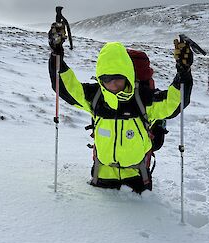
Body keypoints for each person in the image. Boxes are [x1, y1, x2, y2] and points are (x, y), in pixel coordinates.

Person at [48, 25, 193, 194]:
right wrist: (56, 54)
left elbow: (173, 102)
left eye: (118, 79)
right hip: (101, 178)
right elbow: (66, 87)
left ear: (128, 75)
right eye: (106, 79)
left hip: (138, 180)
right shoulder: (96, 98)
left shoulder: (143, 100)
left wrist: (183, 72)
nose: (112, 84)